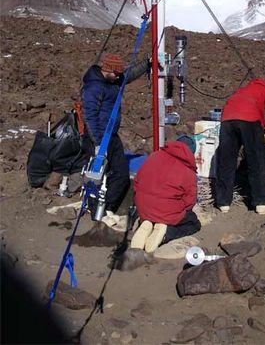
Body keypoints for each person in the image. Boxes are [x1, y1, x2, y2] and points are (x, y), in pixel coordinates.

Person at [81, 52, 149, 215]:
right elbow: (89, 116)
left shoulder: (114, 80)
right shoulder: (93, 87)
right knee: (96, 175)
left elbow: (129, 74)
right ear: (107, 70)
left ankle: (108, 208)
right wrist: (97, 143)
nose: (119, 77)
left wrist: (147, 62)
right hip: (97, 138)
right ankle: (93, 206)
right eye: (116, 74)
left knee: (120, 174)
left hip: (111, 135)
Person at [215, 78, 265, 215]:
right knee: (257, 160)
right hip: (249, 119)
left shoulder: (247, 89)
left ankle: (223, 202)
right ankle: (262, 202)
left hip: (227, 118)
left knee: (226, 160)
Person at [131, 135, 201, 253]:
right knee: (193, 223)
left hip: (143, 207)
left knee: (154, 209)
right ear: (191, 152)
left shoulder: (154, 156)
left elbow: (137, 182)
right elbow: (189, 202)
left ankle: (146, 223)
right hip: (167, 213)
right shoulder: (188, 171)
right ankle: (166, 232)